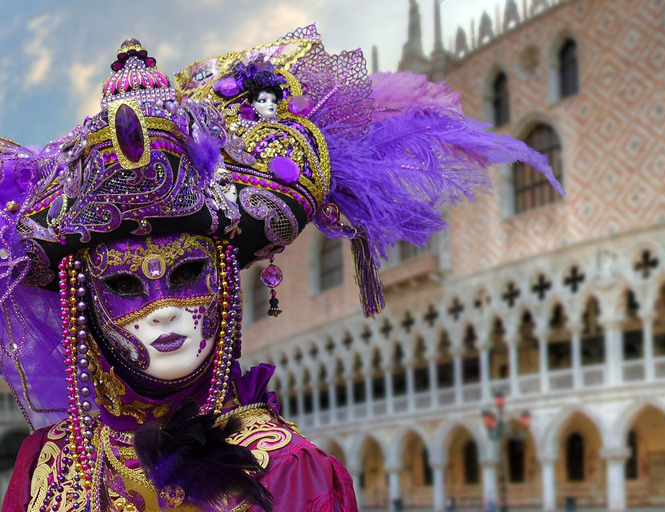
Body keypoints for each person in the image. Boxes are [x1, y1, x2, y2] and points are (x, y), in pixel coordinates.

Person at [0, 26, 562, 512]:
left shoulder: (290, 471)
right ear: (81, 299)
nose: (164, 307)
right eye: (123, 284)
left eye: (187, 274)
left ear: (224, 279)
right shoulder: (46, 466)